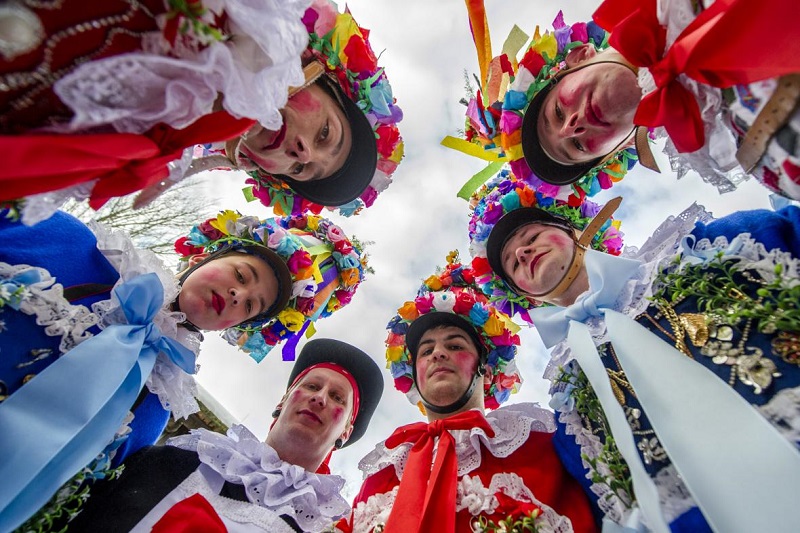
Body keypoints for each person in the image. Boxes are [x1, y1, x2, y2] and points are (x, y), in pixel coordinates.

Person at [0, 207, 367, 530]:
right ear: (204, 258)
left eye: (251, 305)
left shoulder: (154, 406)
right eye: (241, 275)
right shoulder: (76, 248)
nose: (239, 295)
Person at [470, 173, 800, 532]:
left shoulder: (701, 251)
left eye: (531, 236)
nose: (522, 252)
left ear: (576, 230)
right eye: (513, 263)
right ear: (527, 296)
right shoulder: (571, 408)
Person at [0, 0, 403, 223]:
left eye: (300, 170)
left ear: (255, 165)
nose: (304, 153)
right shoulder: (237, 9)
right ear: (321, 76)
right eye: (325, 134)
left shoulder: (144, 147)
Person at [342, 256, 598, 533]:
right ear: (414, 377)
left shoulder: (543, 437)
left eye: (454, 345)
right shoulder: (382, 471)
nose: (438, 353)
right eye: (426, 351)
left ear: (487, 370)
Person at [452, 2, 800, 202]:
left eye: (557, 111)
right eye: (576, 145)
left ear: (577, 57)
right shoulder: (754, 153)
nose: (572, 125)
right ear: (618, 150)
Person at [64, 338, 384, 533]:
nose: (320, 398)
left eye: (338, 398)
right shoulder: (175, 459)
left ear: (346, 431)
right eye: (311, 386)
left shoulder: (315, 528)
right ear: (283, 401)